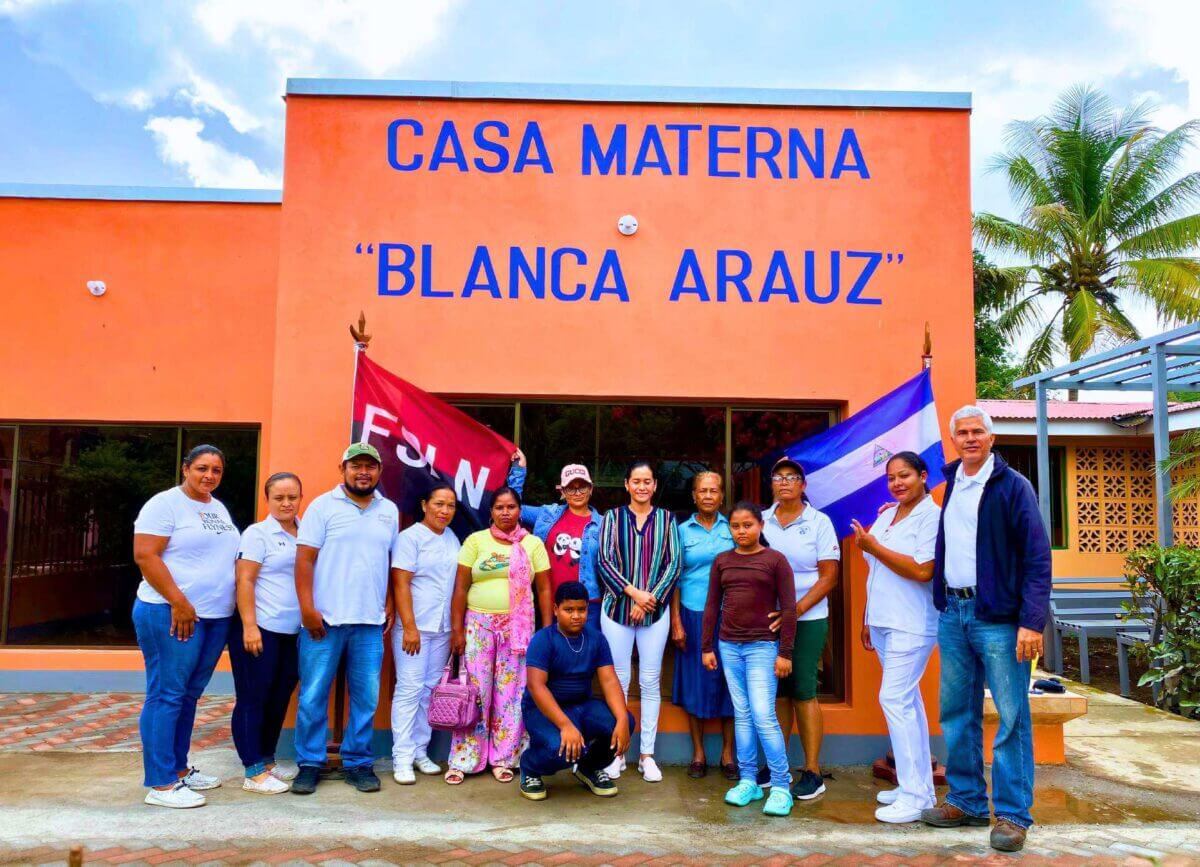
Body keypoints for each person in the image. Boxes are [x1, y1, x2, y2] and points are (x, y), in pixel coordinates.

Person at [921, 406, 1051, 853]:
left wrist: (1031, 621)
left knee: (1012, 716)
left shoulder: (1014, 487)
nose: (970, 438)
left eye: (978, 431)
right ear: (954, 439)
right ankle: (967, 800)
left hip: (998, 617)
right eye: (963, 432)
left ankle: (1013, 815)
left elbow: (1037, 558)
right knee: (956, 712)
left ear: (992, 438)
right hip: (954, 614)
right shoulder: (952, 483)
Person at [132, 444, 240, 809]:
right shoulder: (164, 505)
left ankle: (178, 769)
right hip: (169, 612)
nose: (209, 476)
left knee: (188, 693)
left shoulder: (216, 507)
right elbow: (145, 554)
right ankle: (160, 783)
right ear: (185, 468)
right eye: (202, 468)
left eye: (216, 470)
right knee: (166, 693)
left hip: (212, 618)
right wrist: (178, 601)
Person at [291, 443, 398, 797]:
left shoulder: (389, 511)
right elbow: (304, 560)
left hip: (368, 622)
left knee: (366, 697)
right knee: (313, 695)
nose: (363, 472)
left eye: (370, 466)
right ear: (343, 469)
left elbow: (389, 562)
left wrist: (389, 603)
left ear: (379, 471)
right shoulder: (322, 507)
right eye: (356, 466)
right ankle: (309, 762)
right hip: (325, 621)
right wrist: (307, 609)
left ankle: (357, 762)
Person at [850, 452, 940, 823]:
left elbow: (922, 571)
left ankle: (917, 798)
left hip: (912, 622)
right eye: (892, 478)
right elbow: (877, 572)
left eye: (905, 476)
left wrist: (874, 547)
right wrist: (868, 618)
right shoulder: (887, 515)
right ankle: (915, 786)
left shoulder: (932, 517)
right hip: (885, 621)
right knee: (909, 703)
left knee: (894, 698)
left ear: (923, 476)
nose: (898, 483)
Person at [447, 486, 552, 784]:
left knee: (511, 694)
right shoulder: (475, 542)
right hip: (478, 626)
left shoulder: (532, 545)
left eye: (511, 507)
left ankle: (505, 757)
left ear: (520, 511)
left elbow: (544, 589)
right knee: (476, 694)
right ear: (491, 512)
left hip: (517, 630)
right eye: (499, 508)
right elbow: (460, 589)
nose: (505, 513)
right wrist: (457, 631)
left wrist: (546, 633)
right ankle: (466, 758)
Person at [703, 502, 797, 817]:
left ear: (760, 526)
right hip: (729, 646)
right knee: (742, 715)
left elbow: (789, 609)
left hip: (762, 648)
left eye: (748, 525)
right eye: (735, 526)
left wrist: (785, 652)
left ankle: (782, 785)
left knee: (763, 715)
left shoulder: (776, 560)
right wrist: (707, 647)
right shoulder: (722, 561)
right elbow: (711, 606)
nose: (741, 531)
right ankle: (748, 781)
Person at [597, 460, 682, 783]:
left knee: (649, 681)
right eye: (636, 481)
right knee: (618, 680)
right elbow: (603, 560)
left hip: (655, 612)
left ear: (655, 485)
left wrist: (649, 600)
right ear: (627, 484)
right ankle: (617, 754)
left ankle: (647, 754)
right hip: (617, 609)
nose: (642, 487)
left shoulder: (667, 519)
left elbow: (674, 564)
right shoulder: (612, 518)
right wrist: (634, 594)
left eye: (647, 481)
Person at [762, 456, 840, 801]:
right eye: (778, 478)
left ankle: (812, 770)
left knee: (804, 689)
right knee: (778, 690)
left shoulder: (819, 522)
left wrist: (795, 610)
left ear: (803, 485)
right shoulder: (761, 520)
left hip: (807, 617)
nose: (784, 483)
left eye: (792, 477)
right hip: (767, 618)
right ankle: (777, 765)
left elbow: (829, 576)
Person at [519, 581, 634, 801]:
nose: (576, 616)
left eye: (581, 610)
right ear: (555, 610)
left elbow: (609, 680)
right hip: (543, 710)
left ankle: (588, 768)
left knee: (625, 722)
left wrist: (620, 718)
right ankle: (530, 766)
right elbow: (536, 686)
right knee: (559, 749)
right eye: (568, 610)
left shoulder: (596, 639)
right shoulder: (544, 639)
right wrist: (565, 726)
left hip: (581, 706)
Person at [229, 471, 304, 795]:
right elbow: (244, 581)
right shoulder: (257, 534)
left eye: (292, 497)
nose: (286, 503)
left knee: (278, 698)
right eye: (279, 498)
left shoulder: (306, 533)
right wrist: (249, 626)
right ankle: (252, 770)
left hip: (293, 631)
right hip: (260, 629)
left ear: (300, 498)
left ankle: (268, 760)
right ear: (268, 499)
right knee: (253, 698)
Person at [389, 483, 460, 785]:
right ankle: (401, 758)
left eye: (450, 506)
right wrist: (410, 626)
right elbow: (401, 583)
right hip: (414, 628)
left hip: (442, 628)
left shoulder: (453, 538)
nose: (444, 511)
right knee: (409, 689)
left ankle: (420, 751)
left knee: (430, 690)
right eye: (439, 504)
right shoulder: (410, 538)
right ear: (424, 505)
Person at [671, 470, 735, 779]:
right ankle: (698, 753)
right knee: (694, 682)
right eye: (702, 491)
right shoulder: (681, 531)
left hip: (730, 614)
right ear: (694, 496)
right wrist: (676, 621)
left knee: (730, 682)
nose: (708, 496)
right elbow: (675, 579)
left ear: (722, 496)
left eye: (714, 490)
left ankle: (728, 753)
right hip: (692, 613)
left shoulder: (734, 528)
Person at [508, 450, 604, 632]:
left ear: (590, 489)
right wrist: (518, 472)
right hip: (551, 603)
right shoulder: (547, 514)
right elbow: (512, 507)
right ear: (562, 491)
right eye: (570, 488)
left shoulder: (604, 524)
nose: (577, 492)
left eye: (582, 487)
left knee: (583, 656)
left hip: (588, 605)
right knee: (554, 656)